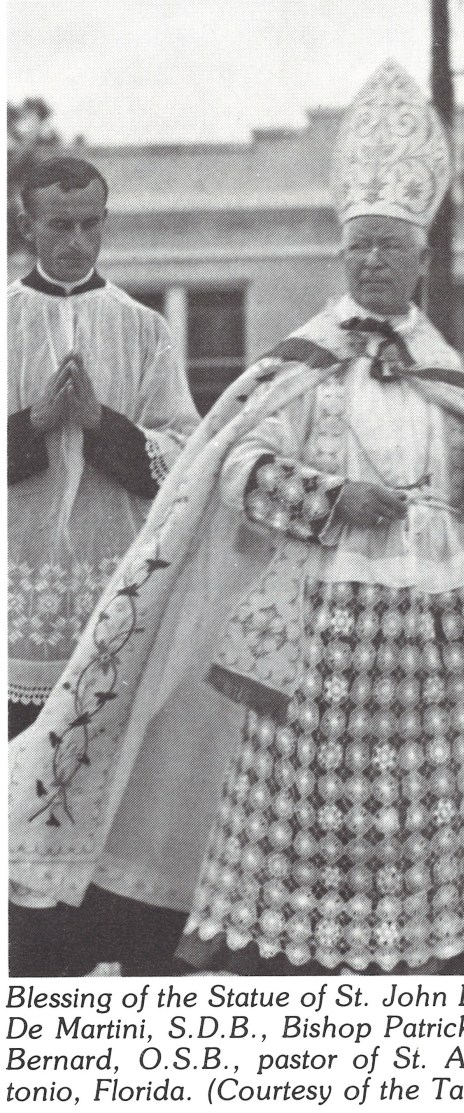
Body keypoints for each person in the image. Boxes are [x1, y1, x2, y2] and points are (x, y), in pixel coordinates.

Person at [10, 62, 464, 978]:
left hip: (428, 634)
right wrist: (332, 500)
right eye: (361, 249)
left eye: (391, 248)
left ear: (424, 260)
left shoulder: (450, 377)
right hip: (319, 637)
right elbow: (237, 471)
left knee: (423, 807)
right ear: (344, 255)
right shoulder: (304, 364)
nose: (374, 262)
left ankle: (425, 953)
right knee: (310, 810)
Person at [7, 156, 200, 976]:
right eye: (60, 224)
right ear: (26, 224)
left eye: (92, 223)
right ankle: (40, 971)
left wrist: (100, 422)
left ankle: (118, 958)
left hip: (116, 599)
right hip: (20, 604)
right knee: (31, 783)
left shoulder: (145, 330)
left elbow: (183, 456)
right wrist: (32, 425)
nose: (79, 240)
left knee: (116, 786)